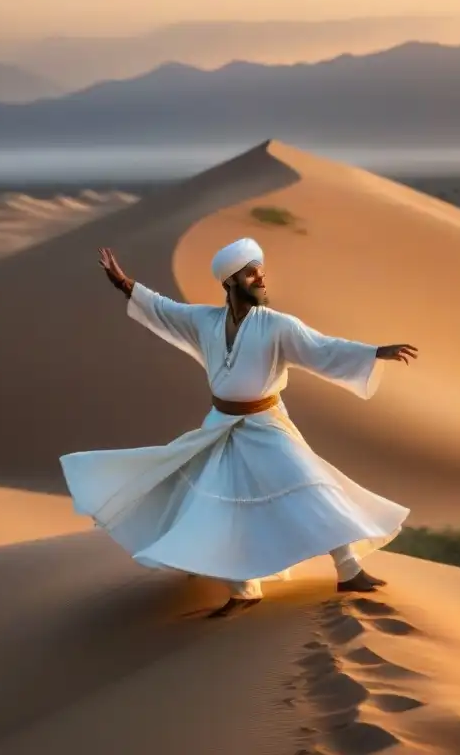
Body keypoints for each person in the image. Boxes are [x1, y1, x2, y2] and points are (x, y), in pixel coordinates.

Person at [60, 237, 417, 618]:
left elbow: (321, 347)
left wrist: (372, 352)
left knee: (313, 487)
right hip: (222, 427)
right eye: (251, 273)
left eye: (260, 271)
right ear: (231, 282)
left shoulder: (279, 326)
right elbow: (164, 310)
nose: (260, 279)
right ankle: (245, 591)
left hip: (267, 424)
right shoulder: (205, 321)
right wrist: (123, 284)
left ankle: (350, 571)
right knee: (223, 504)